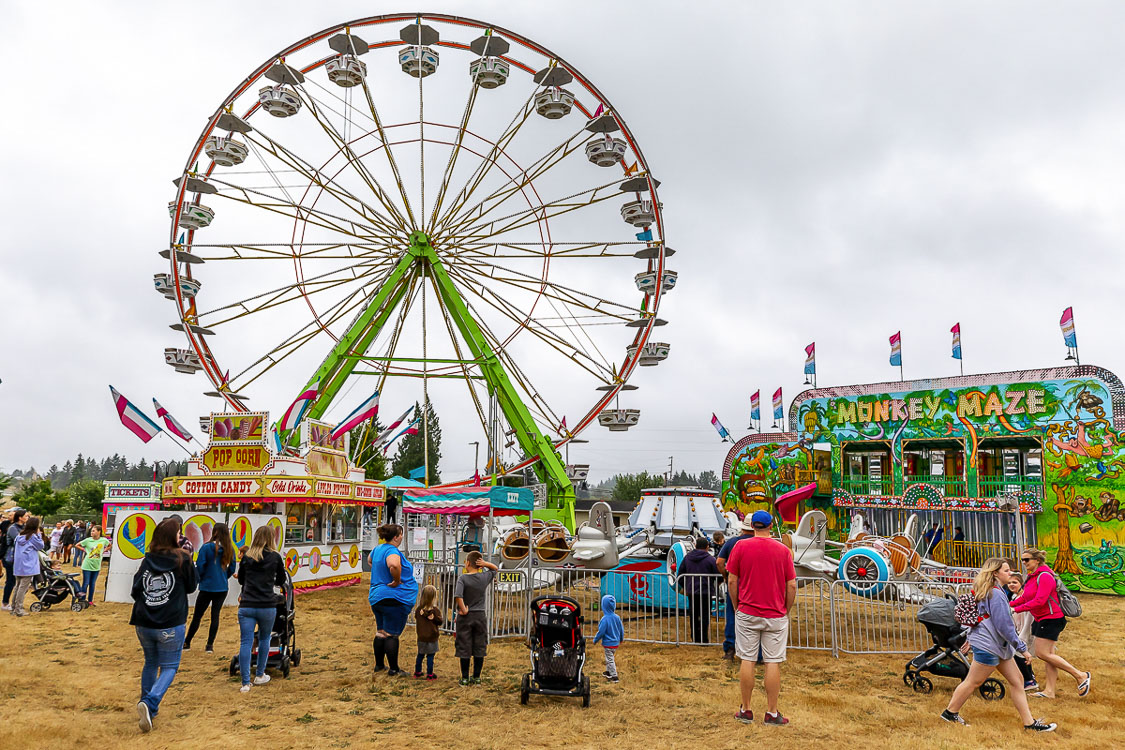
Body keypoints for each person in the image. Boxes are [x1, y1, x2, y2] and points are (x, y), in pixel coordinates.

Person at [940, 558, 1056, 731]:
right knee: (973, 682)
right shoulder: (995, 594)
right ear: (995, 573)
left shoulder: (988, 590)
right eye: (1007, 571)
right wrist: (1022, 649)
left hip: (996, 645)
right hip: (990, 646)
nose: (1010, 573)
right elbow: (1005, 627)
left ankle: (1029, 723)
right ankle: (950, 713)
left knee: (1017, 681)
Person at [726, 510, 796, 726]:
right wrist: (786, 608)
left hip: (747, 612)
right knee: (772, 661)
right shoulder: (783, 550)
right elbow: (791, 584)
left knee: (747, 658)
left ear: (752, 526)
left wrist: (738, 606)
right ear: (770, 526)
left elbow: (731, 580)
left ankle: (746, 709)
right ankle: (772, 712)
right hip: (775, 613)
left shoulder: (740, 547)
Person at [130, 518, 198, 733]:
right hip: (171, 621)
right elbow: (191, 586)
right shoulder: (183, 558)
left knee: (150, 662)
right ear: (172, 537)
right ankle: (150, 704)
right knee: (169, 667)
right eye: (178, 533)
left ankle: (148, 706)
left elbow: (136, 588)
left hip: (143, 621)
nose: (180, 536)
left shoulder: (148, 559)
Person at [1010, 547, 1091, 699]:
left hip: (1051, 619)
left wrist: (1017, 609)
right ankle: (1050, 691)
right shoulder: (1032, 577)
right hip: (1042, 619)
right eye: (1022, 560)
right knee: (1049, 655)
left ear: (1037, 560)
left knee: (1042, 653)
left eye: (1027, 560)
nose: (1024, 563)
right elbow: (1025, 597)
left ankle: (1080, 675)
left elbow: (1040, 601)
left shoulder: (1045, 576)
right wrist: (1010, 604)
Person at [236, 525, 287, 692]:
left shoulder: (247, 557)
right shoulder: (275, 557)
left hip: (247, 604)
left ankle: (245, 682)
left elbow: (241, 579)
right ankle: (259, 675)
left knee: (246, 641)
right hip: (266, 605)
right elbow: (281, 579)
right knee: (265, 639)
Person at [369, 523, 419, 677]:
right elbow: (394, 565)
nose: (403, 537)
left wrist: (380, 573)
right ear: (396, 537)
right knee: (391, 634)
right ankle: (394, 669)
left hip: (377, 597)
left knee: (381, 632)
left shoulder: (377, 549)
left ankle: (379, 665)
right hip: (393, 598)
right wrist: (396, 580)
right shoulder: (391, 550)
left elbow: (370, 561)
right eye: (401, 534)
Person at [185, 522, 237, 652]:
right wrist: (224, 577)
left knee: (197, 615)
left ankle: (187, 642)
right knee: (215, 615)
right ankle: (209, 645)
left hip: (207, 586)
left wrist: (202, 578)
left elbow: (200, 566)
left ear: (214, 532)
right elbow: (232, 568)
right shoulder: (230, 549)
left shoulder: (206, 548)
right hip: (222, 587)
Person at [454, 549, 498, 685]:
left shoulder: (463, 578)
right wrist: (485, 564)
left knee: (464, 646)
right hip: (480, 615)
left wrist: (463, 609)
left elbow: (458, 596)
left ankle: (465, 677)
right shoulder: (483, 578)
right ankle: (477, 677)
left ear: (467, 563)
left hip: (466, 617)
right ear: (480, 565)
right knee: (479, 646)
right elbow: (495, 569)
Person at [716, 521, 753, 661]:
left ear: (742, 528)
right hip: (754, 587)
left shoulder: (732, 542)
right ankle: (757, 652)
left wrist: (725, 575)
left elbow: (719, 562)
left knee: (733, 616)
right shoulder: (762, 543)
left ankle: (730, 649)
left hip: (735, 585)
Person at [679, 536, 720, 643]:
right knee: (705, 615)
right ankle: (703, 638)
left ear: (695, 546)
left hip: (692, 591)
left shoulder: (687, 558)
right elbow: (718, 575)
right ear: (707, 547)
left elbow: (680, 574)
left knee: (693, 614)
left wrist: (686, 586)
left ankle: (695, 638)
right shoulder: (711, 559)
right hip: (706, 591)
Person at [1006, 572, 1038, 691]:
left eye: (1015, 582)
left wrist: (1023, 634)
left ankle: (1029, 679)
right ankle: (1029, 676)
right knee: (1021, 655)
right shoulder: (1014, 597)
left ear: (1021, 583)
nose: (1011, 585)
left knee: (1019, 654)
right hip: (1018, 631)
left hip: (1025, 631)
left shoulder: (1023, 598)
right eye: (1009, 583)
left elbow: (1028, 618)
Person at [11, 516, 46, 616]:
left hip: (18, 565)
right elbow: (41, 546)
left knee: (18, 587)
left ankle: (14, 608)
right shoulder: (33, 537)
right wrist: (39, 535)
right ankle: (19, 609)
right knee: (22, 588)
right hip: (28, 566)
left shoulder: (19, 536)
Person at [413, 584, 443, 679]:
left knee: (420, 655)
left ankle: (417, 671)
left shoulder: (418, 610)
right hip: (432, 637)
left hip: (421, 636)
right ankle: (430, 674)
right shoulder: (435, 611)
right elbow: (440, 622)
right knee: (430, 656)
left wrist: (424, 615)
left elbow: (416, 617)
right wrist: (433, 618)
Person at [75, 525, 110, 605]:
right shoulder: (88, 540)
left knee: (92, 583)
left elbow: (109, 545)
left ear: (99, 532)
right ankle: (82, 600)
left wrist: (104, 550)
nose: (92, 532)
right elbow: (77, 545)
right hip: (87, 565)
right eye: (91, 531)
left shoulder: (103, 540)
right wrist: (84, 550)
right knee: (86, 583)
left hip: (96, 565)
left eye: (94, 531)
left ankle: (90, 600)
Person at [593, 594, 623, 682]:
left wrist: (595, 640)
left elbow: (601, 632)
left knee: (610, 659)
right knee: (609, 658)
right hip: (616, 643)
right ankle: (609, 672)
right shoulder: (617, 617)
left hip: (608, 643)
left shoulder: (605, 619)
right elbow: (621, 629)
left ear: (603, 606)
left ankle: (614, 676)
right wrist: (621, 638)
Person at [2, 508, 27, 610]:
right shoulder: (13, 528)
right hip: (11, 557)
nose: (27, 518)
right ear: (20, 518)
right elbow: (20, 541)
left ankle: (15, 602)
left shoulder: (23, 527)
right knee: (10, 581)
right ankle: (5, 602)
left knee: (18, 581)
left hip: (19, 557)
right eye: (25, 516)